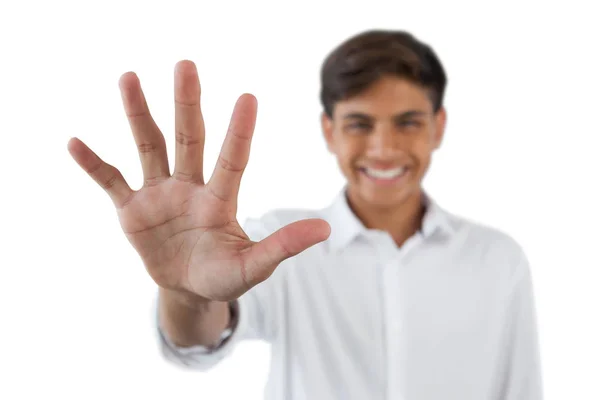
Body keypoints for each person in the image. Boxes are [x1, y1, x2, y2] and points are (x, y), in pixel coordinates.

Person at [67, 29, 544, 399]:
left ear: (438, 127)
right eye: (359, 124)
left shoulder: (498, 261)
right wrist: (185, 292)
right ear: (328, 130)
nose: (383, 148)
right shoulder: (279, 242)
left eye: (408, 123)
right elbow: (197, 341)